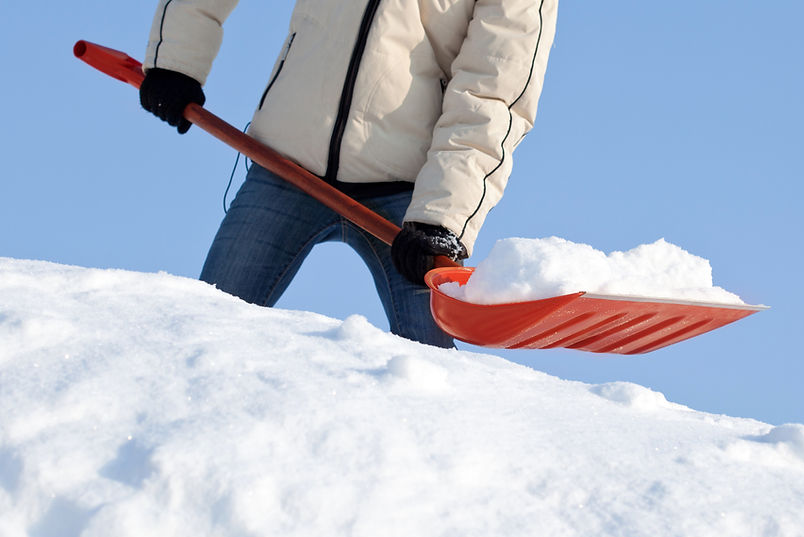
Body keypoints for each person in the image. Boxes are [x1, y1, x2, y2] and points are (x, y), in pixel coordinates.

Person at [139, 0, 558, 347]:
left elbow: (493, 96)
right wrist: (175, 59)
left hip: (411, 205)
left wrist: (442, 219)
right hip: (286, 165)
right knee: (201, 337)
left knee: (432, 377)